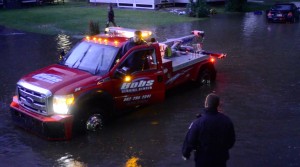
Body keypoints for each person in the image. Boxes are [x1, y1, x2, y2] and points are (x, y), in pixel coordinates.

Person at [182, 93, 235, 167]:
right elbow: (231, 141)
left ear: (206, 104)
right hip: (220, 159)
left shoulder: (197, 123)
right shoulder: (227, 121)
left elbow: (190, 141)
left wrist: (186, 154)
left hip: (203, 160)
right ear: (218, 104)